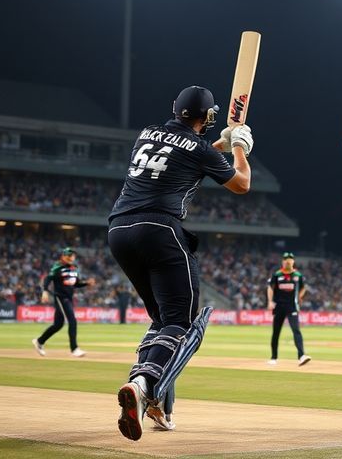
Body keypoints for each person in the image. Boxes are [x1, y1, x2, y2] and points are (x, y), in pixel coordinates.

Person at [107, 85, 253, 440]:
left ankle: (154, 404)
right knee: (182, 323)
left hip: (119, 230)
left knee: (161, 320)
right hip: (159, 228)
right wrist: (238, 146)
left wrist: (217, 143)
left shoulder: (146, 134)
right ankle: (142, 384)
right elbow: (242, 184)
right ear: (207, 116)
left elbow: (185, 156)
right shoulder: (199, 149)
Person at [32, 247, 95, 358]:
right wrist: (45, 291)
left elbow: (75, 283)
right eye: (69, 255)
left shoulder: (74, 268)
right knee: (72, 320)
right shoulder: (58, 266)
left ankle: (39, 341)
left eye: (73, 255)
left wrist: (86, 283)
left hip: (69, 298)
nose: (71, 257)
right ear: (63, 256)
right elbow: (48, 279)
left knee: (58, 325)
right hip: (60, 297)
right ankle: (74, 348)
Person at [267, 252, 311, 366]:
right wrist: (270, 301)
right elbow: (270, 288)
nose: (288, 261)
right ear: (283, 261)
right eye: (286, 259)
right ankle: (273, 357)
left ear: (293, 261)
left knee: (296, 330)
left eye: (290, 259)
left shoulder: (298, 275)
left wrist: (299, 297)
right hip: (279, 306)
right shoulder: (277, 275)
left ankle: (301, 356)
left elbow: (303, 288)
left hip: (292, 306)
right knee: (276, 332)